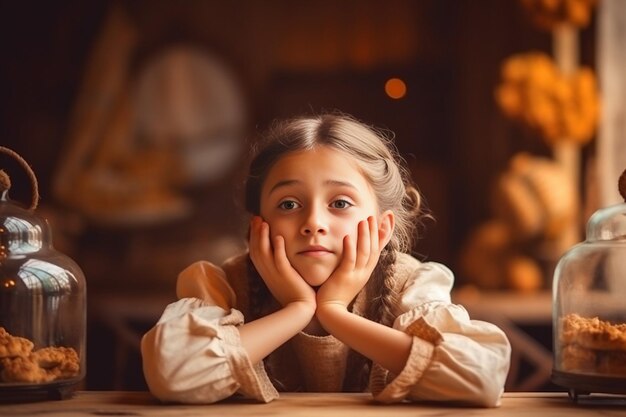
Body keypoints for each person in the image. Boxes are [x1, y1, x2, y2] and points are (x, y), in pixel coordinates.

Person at [141, 113, 511, 407]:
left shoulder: (411, 285)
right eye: (289, 204)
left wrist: (334, 312)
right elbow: (172, 372)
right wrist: (298, 309)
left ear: (382, 229)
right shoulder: (224, 285)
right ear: (259, 225)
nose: (314, 223)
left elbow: (482, 378)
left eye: (340, 203)